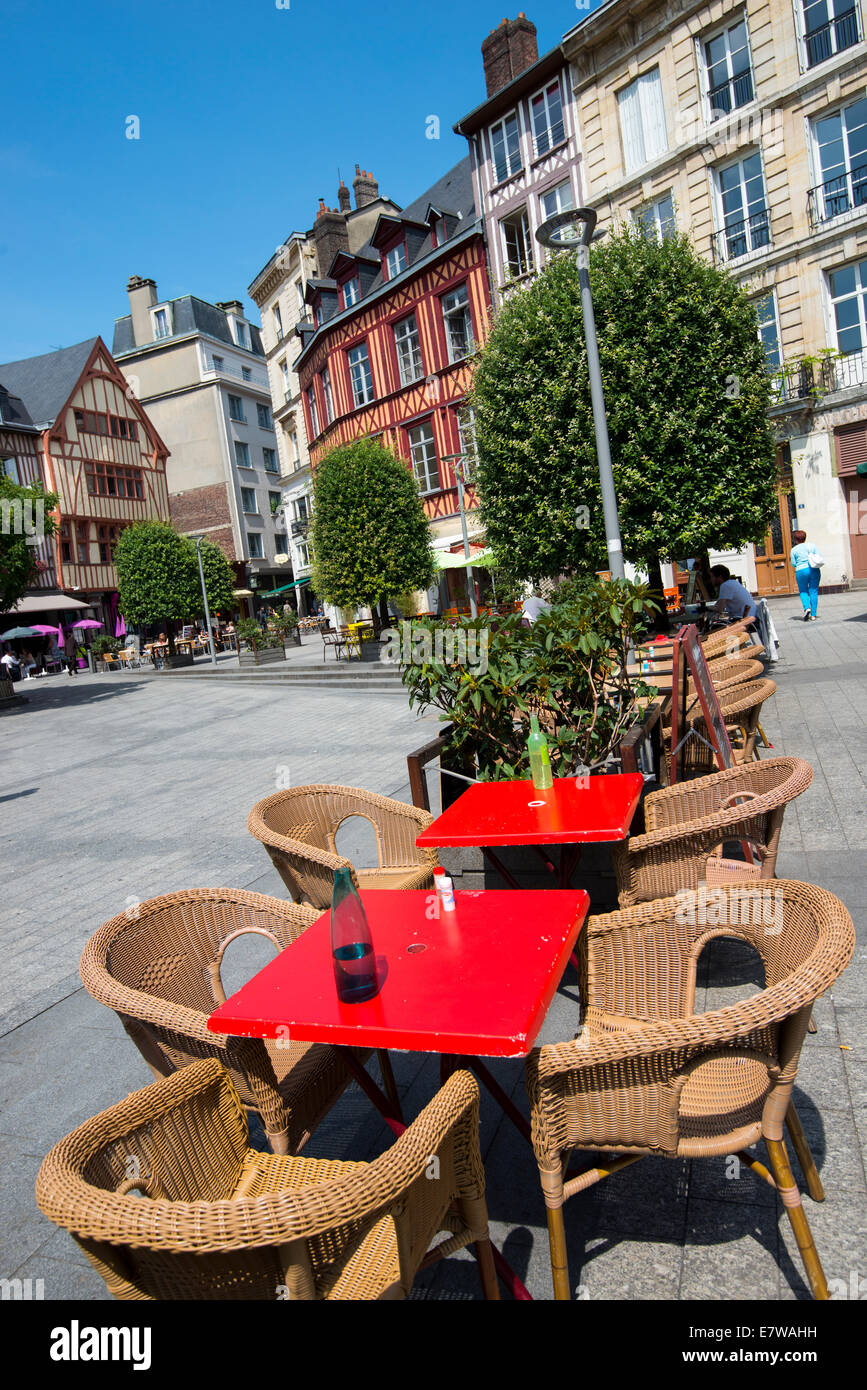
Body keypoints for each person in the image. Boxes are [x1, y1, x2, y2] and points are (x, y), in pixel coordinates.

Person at [789, 529, 822, 622]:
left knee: (803, 591)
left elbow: (793, 563)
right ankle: (813, 615)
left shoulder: (793, 550)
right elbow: (818, 557)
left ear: (795, 539)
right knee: (813, 591)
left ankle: (807, 608)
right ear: (805, 537)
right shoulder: (812, 546)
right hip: (814, 569)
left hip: (801, 571)